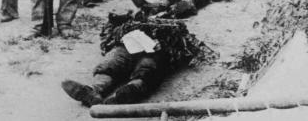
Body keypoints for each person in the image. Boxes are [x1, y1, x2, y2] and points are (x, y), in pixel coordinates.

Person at [61, 12, 209, 106]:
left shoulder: (177, 24)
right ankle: (92, 91)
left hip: (158, 49)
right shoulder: (137, 16)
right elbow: (110, 32)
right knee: (114, 61)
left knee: (148, 66)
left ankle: (127, 92)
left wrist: (165, 43)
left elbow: (188, 51)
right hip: (130, 43)